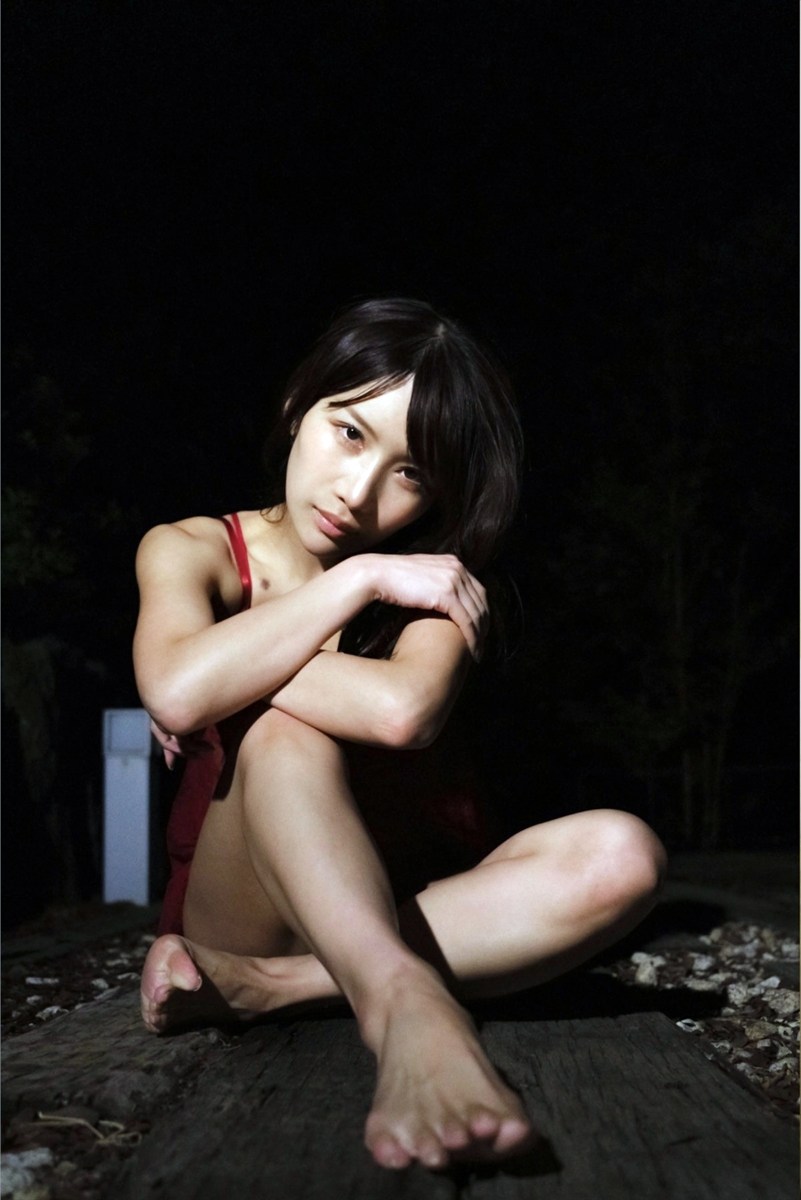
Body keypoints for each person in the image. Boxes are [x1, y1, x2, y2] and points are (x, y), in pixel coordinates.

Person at [135, 297, 666, 1171]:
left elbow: (398, 711)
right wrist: (353, 582)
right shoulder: (190, 548)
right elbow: (179, 689)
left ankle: (279, 990)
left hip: (393, 895)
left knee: (624, 853)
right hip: (241, 911)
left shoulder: (439, 587)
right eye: (349, 433)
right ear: (297, 407)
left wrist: (224, 665)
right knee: (284, 736)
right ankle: (402, 1006)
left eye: (409, 473)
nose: (357, 492)